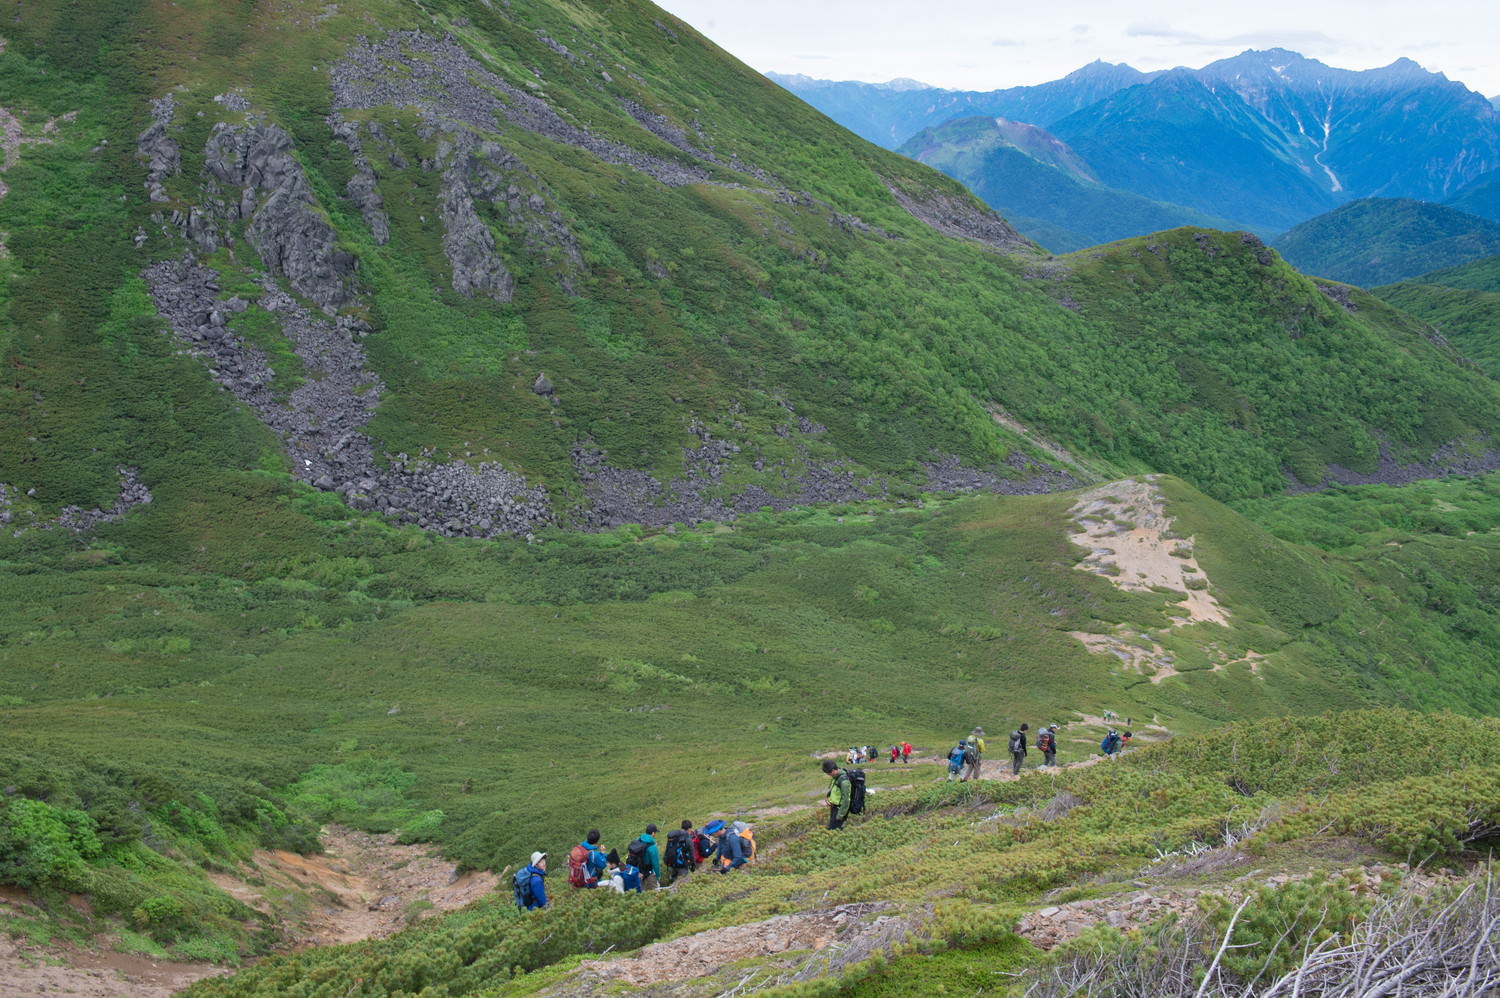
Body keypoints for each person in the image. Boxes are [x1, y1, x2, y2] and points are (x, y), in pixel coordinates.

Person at [629, 823, 663, 889]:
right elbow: (655, 864)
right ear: (653, 833)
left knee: (641, 892)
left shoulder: (638, 840)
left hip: (637, 870)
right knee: (655, 892)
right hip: (648, 872)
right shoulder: (652, 847)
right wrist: (658, 876)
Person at [822, 758, 852, 829]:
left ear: (833, 770)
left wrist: (840, 815)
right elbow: (834, 790)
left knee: (834, 830)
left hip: (839, 810)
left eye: (828, 773)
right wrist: (829, 799)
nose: (828, 775)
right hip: (834, 807)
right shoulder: (835, 777)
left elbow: (846, 800)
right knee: (833, 828)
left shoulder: (844, 781)